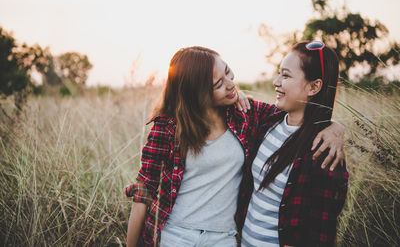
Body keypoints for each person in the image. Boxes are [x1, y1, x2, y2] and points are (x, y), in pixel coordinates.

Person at [125, 46, 345, 247]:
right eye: (218, 84)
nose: (230, 84)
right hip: (175, 235)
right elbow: (144, 190)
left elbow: (301, 117)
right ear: (198, 93)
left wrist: (335, 127)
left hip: (223, 238)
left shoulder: (246, 115)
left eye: (228, 72)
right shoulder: (169, 126)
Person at [240, 41, 349, 247]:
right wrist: (237, 94)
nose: (276, 81)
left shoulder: (323, 152)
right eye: (279, 73)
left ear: (314, 86)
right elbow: (234, 99)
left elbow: (320, 236)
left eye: (286, 75)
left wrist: (334, 128)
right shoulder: (269, 119)